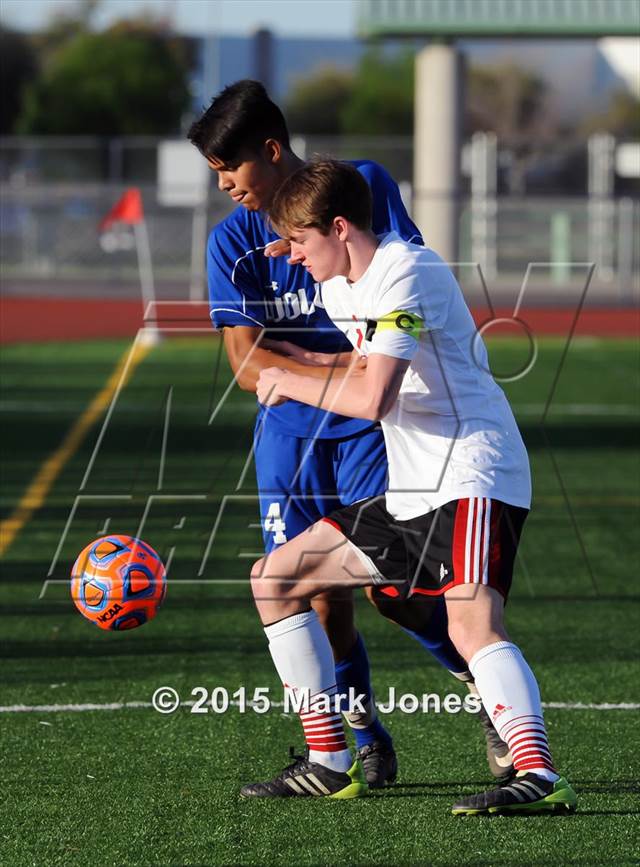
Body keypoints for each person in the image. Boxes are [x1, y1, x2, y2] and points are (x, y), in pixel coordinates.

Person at [187, 80, 511, 789]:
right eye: (215, 175)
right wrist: (333, 365)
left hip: (374, 427)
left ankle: (483, 689)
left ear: (271, 151)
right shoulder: (231, 240)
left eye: (229, 171)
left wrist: (324, 365)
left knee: (399, 586)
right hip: (288, 443)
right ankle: (356, 740)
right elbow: (247, 361)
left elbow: (400, 296)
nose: (225, 188)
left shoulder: (361, 187)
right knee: (310, 593)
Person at [248, 159, 577, 814]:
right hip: (416, 486)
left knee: (470, 617)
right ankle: (329, 761)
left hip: (475, 472)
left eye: (304, 243)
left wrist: (289, 377)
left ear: (340, 228)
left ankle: (539, 773)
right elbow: (364, 358)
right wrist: (309, 354)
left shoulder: (408, 271)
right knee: (275, 579)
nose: (296, 259)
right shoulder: (344, 284)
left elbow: (374, 396)